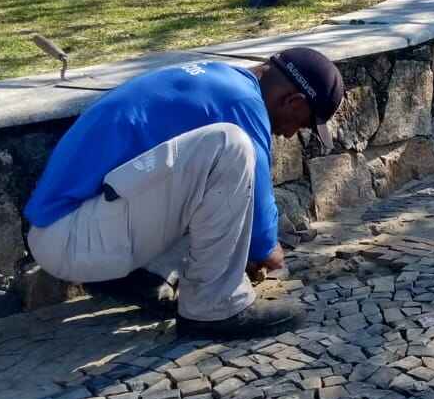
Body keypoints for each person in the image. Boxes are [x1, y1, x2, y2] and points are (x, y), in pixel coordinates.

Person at [23, 48, 345, 338]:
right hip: (72, 238)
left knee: (210, 184)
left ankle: (140, 276)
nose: (289, 134)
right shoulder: (241, 103)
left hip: (69, 229)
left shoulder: (224, 81)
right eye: (300, 124)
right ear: (294, 102)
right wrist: (272, 259)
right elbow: (262, 238)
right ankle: (214, 307)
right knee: (229, 146)